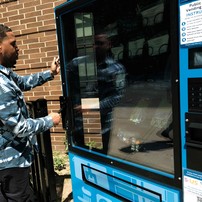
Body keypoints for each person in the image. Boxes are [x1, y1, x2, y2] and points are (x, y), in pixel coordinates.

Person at [0, 24, 61, 201]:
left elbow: (23, 82)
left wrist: (49, 73)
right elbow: (19, 127)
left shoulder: (6, 75)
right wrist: (50, 120)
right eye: (13, 44)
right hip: (10, 163)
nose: (18, 48)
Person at [94, 33, 126, 153]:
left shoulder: (116, 69)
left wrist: (92, 107)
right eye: (94, 44)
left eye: (100, 43)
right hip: (84, 122)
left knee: (102, 153)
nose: (96, 47)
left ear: (109, 45)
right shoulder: (87, 67)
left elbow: (118, 96)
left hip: (104, 122)